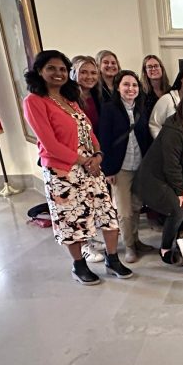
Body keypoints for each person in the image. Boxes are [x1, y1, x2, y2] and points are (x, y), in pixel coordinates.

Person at [23, 50, 132, 285]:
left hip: (91, 166)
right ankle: (79, 266)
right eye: (52, 68)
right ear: (39, 71)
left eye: (62, 69)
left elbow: (89, 131)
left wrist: (99, 154)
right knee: (72, 221)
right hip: (63, 171)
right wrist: (84, 161)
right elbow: (49, 143)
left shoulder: (71, 100)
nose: (58, 73)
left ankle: (112, 260)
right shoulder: (34, 101)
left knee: (107, 214)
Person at [135, 89, 183, 264]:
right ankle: (166, 247)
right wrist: (179, 190)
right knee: (177, 210)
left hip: (175, 177)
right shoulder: (174, 129)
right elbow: (171, 165)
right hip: (154, 179)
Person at [99, 70, 153, 263]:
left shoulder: (140, 108)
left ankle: (136, 240)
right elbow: (103, 140)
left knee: (137, 206)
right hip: (120, 168)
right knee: (124, 211)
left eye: (134, 85)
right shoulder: (109, 109)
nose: (131, 88)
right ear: (118, 87)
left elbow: (145, 137)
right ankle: (128, 246)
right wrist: (107, 169)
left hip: (139, 165)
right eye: (126, 84)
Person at [70, 55, 106, 262]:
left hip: (93, 155)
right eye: (84, 72)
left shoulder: (96, 97)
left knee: (90, 201)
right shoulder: (69, 100)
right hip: (75, 158)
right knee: (79, 204)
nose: (89, 77)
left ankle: (90, 238)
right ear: (74, 73)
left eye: (93, 73)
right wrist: (84, 160)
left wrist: (97, 156)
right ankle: (83, 245)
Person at [149, 64, 183, 138]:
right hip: (170, 147)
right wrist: (163, 143)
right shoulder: (167, 99)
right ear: (181, 78)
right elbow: (154, 124)